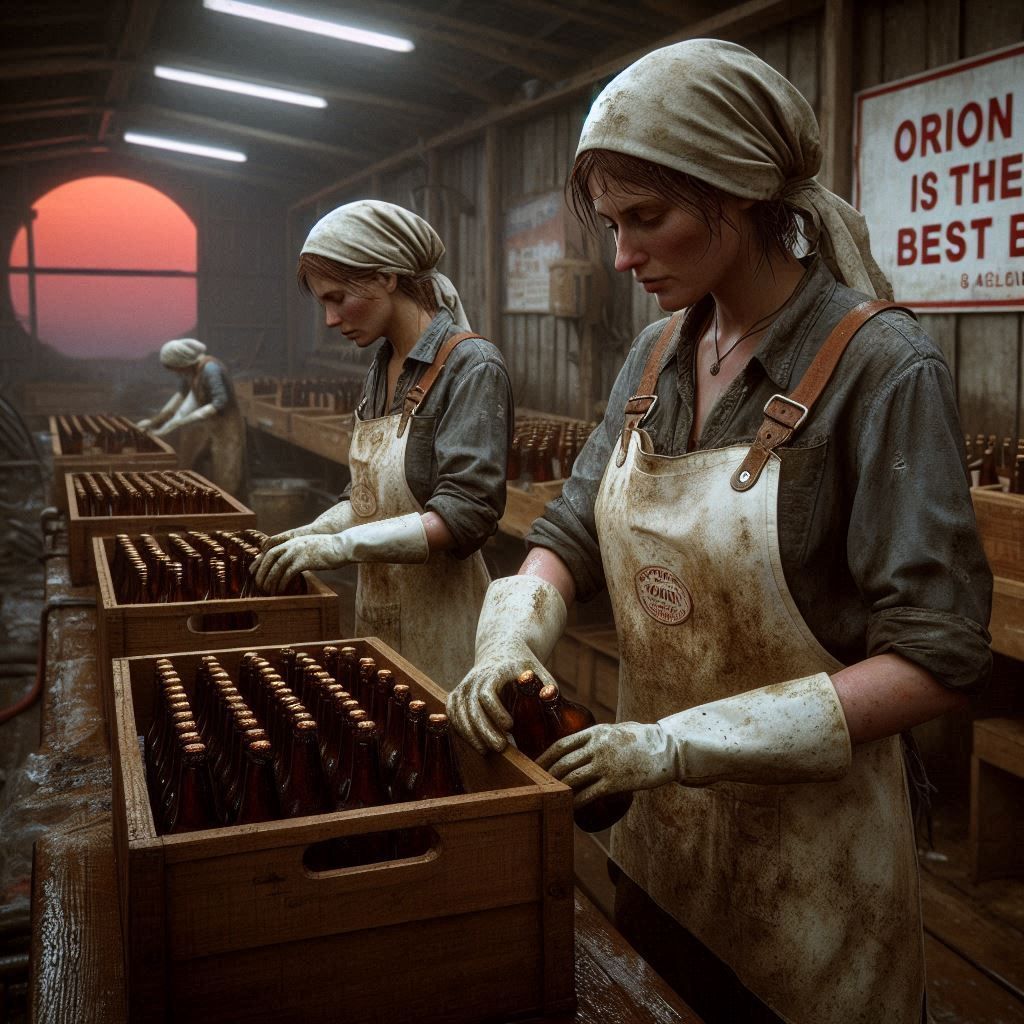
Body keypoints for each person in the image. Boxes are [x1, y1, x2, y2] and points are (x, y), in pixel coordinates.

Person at [447, 39, 992, 1024]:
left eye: (645, 219)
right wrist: (505, 638)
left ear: (736, 195)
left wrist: (675, 744)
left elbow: (939, 654)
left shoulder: (882, 368)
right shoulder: (655, 353)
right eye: (611, 223)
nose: (620, 256)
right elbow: (570, 527)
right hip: (661, 834)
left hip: (816, 864)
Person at [253, 200, 513, 691]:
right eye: (322, 304)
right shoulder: (381, 366)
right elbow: (370, 499)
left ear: (387, 278)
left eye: (338, 298)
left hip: (447, 628)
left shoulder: (471, 366)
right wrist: (310, 534)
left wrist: (340, 547)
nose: (330, 319)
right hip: (379, 617)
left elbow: (466, 515)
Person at [137, 337, 247, 499]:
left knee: (226, 474)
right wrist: (156, 421)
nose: (176, 372)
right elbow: (180, 397)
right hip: (208, 426)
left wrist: (186, 419)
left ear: (182, 361)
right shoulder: (191, 372)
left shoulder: (211, 369)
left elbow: (220, 401)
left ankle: (229, 513)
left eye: (175, 368)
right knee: (196, 467)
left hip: (226, 428)